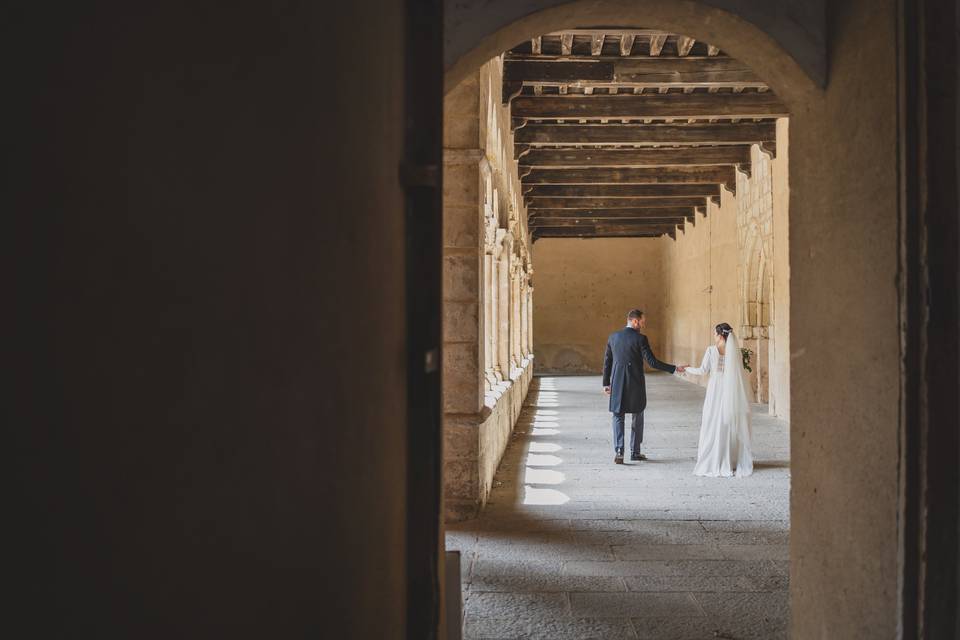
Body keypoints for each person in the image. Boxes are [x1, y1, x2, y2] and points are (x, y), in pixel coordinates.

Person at [602, 309, 685, 464]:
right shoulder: (641, 339)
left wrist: (606, 383)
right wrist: (674, 368)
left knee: (618, 416)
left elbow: (607, 362)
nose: (643, 324)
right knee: (637, 415)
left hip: (618, 382)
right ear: (635, 321)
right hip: (635, 383)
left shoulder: (613, 337)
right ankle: (635, 452)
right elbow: (652, 362)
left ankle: (619, 451)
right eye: (642, 321)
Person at [682, 322, 754, 477]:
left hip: (715, 390)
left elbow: (702, 371)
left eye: (715, 333)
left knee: (711, 420)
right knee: (726, 422)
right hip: (730, 390)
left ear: (721, 335)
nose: (713, 336)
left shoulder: (711, 350)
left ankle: (712, 457)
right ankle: (727, 457)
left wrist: (686, 368)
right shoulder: (735, 351)